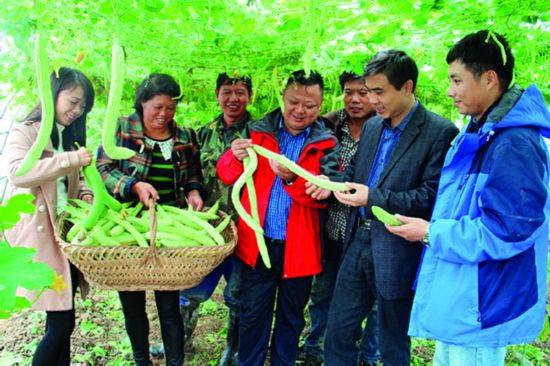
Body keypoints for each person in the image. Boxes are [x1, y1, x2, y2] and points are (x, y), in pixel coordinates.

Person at [386, 30, 550, 366]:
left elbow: (505, 231)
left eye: (457, 80)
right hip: (465, 298)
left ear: (489, 79)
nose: (450, 91)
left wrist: (430, 233)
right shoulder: (480, 133)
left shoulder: (514, 144)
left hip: (486, 303)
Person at [324, 50, 459, 365]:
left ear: (407, 87)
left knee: (393, 341)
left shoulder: (439, 132)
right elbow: (354, 176)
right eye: (369, 91)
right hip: (358, 240)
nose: (372, 100)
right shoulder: (373, 127)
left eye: (379, 91)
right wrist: (329, 184)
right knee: (339, 331)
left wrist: (372, 197)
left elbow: (429, 196)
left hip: (399, 247)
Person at [217, 69, 341, 366]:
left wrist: (290, 179)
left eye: (310, 106)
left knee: (291, 317)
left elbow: (322, 195)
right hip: (257, 245)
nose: (300, 110)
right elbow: (227, 174)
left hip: (300, 249)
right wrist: (233, 156)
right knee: (253, 314)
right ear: (282, 98)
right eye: (294, 102)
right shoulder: (258, 131)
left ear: (321, 106)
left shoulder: (328, 145)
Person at [96, 73, 205, 366]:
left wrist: (194, 191)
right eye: (157, 107)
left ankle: (175, 362)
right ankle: (141, 361)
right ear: (142, 102)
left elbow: (193, 173)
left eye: (170, 108)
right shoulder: (121, 128)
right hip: (127, 227)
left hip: (169, 230)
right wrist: (133, 185)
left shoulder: (184, 135)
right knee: (132, 304)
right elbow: (103, 168)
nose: (163, 114)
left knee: (169, 305)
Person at [5, 67, 95, 365]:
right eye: (73, 101)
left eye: (82, 106)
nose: (76, 110)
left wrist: (86, 195)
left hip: (62, 235)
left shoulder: (67, 136)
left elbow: (75, 180)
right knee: (62, 323)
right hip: (39, 238)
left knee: (60, 319)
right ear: (53, 94)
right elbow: (19, 173)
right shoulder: (27, 129)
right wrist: (69, 160)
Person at [298, 70, 380, 366]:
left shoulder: (384, 128)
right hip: (331, 229)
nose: (355, 99)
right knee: (323, 293)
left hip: (365, 232)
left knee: (372, 301)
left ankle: (368, 355)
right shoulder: (328, 125)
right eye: (348, 92)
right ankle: (315, 348)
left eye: (363, 92)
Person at [177, 73, 253, 365]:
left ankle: (231, 352)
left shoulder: (259, 133)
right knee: (191, 290)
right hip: (206, 230)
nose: (233, 98)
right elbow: (191, 174)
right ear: (217, 94)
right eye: (227, 91)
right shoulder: (202, 133)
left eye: (240, 91)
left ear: (250, 96)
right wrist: (192, 191)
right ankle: (180, 343)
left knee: (237, 295)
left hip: (243, 229)